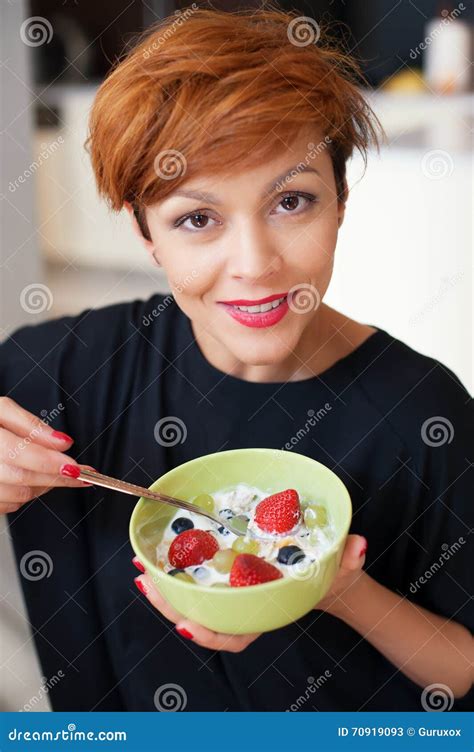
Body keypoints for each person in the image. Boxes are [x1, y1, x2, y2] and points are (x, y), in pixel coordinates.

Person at [1, 6, 472, 711]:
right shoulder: (60, 374)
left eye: (291, 201)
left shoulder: (425, 414)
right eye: (197, 218)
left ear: (340, 199)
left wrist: (341, 590)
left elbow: (461, 671)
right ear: (145, 232)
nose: (254, 265)